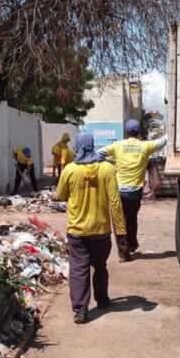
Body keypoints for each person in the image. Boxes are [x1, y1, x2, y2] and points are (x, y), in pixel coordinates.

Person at [56, 133, 128, 324]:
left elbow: (60, 195)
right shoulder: (107, 169)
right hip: (101, 231)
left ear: (78, 147)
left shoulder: (69, 170)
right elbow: (115, 202)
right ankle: (103, 300)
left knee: (79, 269)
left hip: (77, 231)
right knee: (100, 266)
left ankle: (80, 310)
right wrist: (121, 231)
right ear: (93, 145)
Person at [98, 120, 167, 261]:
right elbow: (163, 141)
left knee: (119, 221)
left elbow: (98, 153)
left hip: (117, 191)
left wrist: (111, 163)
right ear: (139, 132)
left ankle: (123, 253)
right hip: (135, 193)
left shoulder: (117, 146)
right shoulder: (145, 146)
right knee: (131, 220)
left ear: (126, 132)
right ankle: (132, 244)